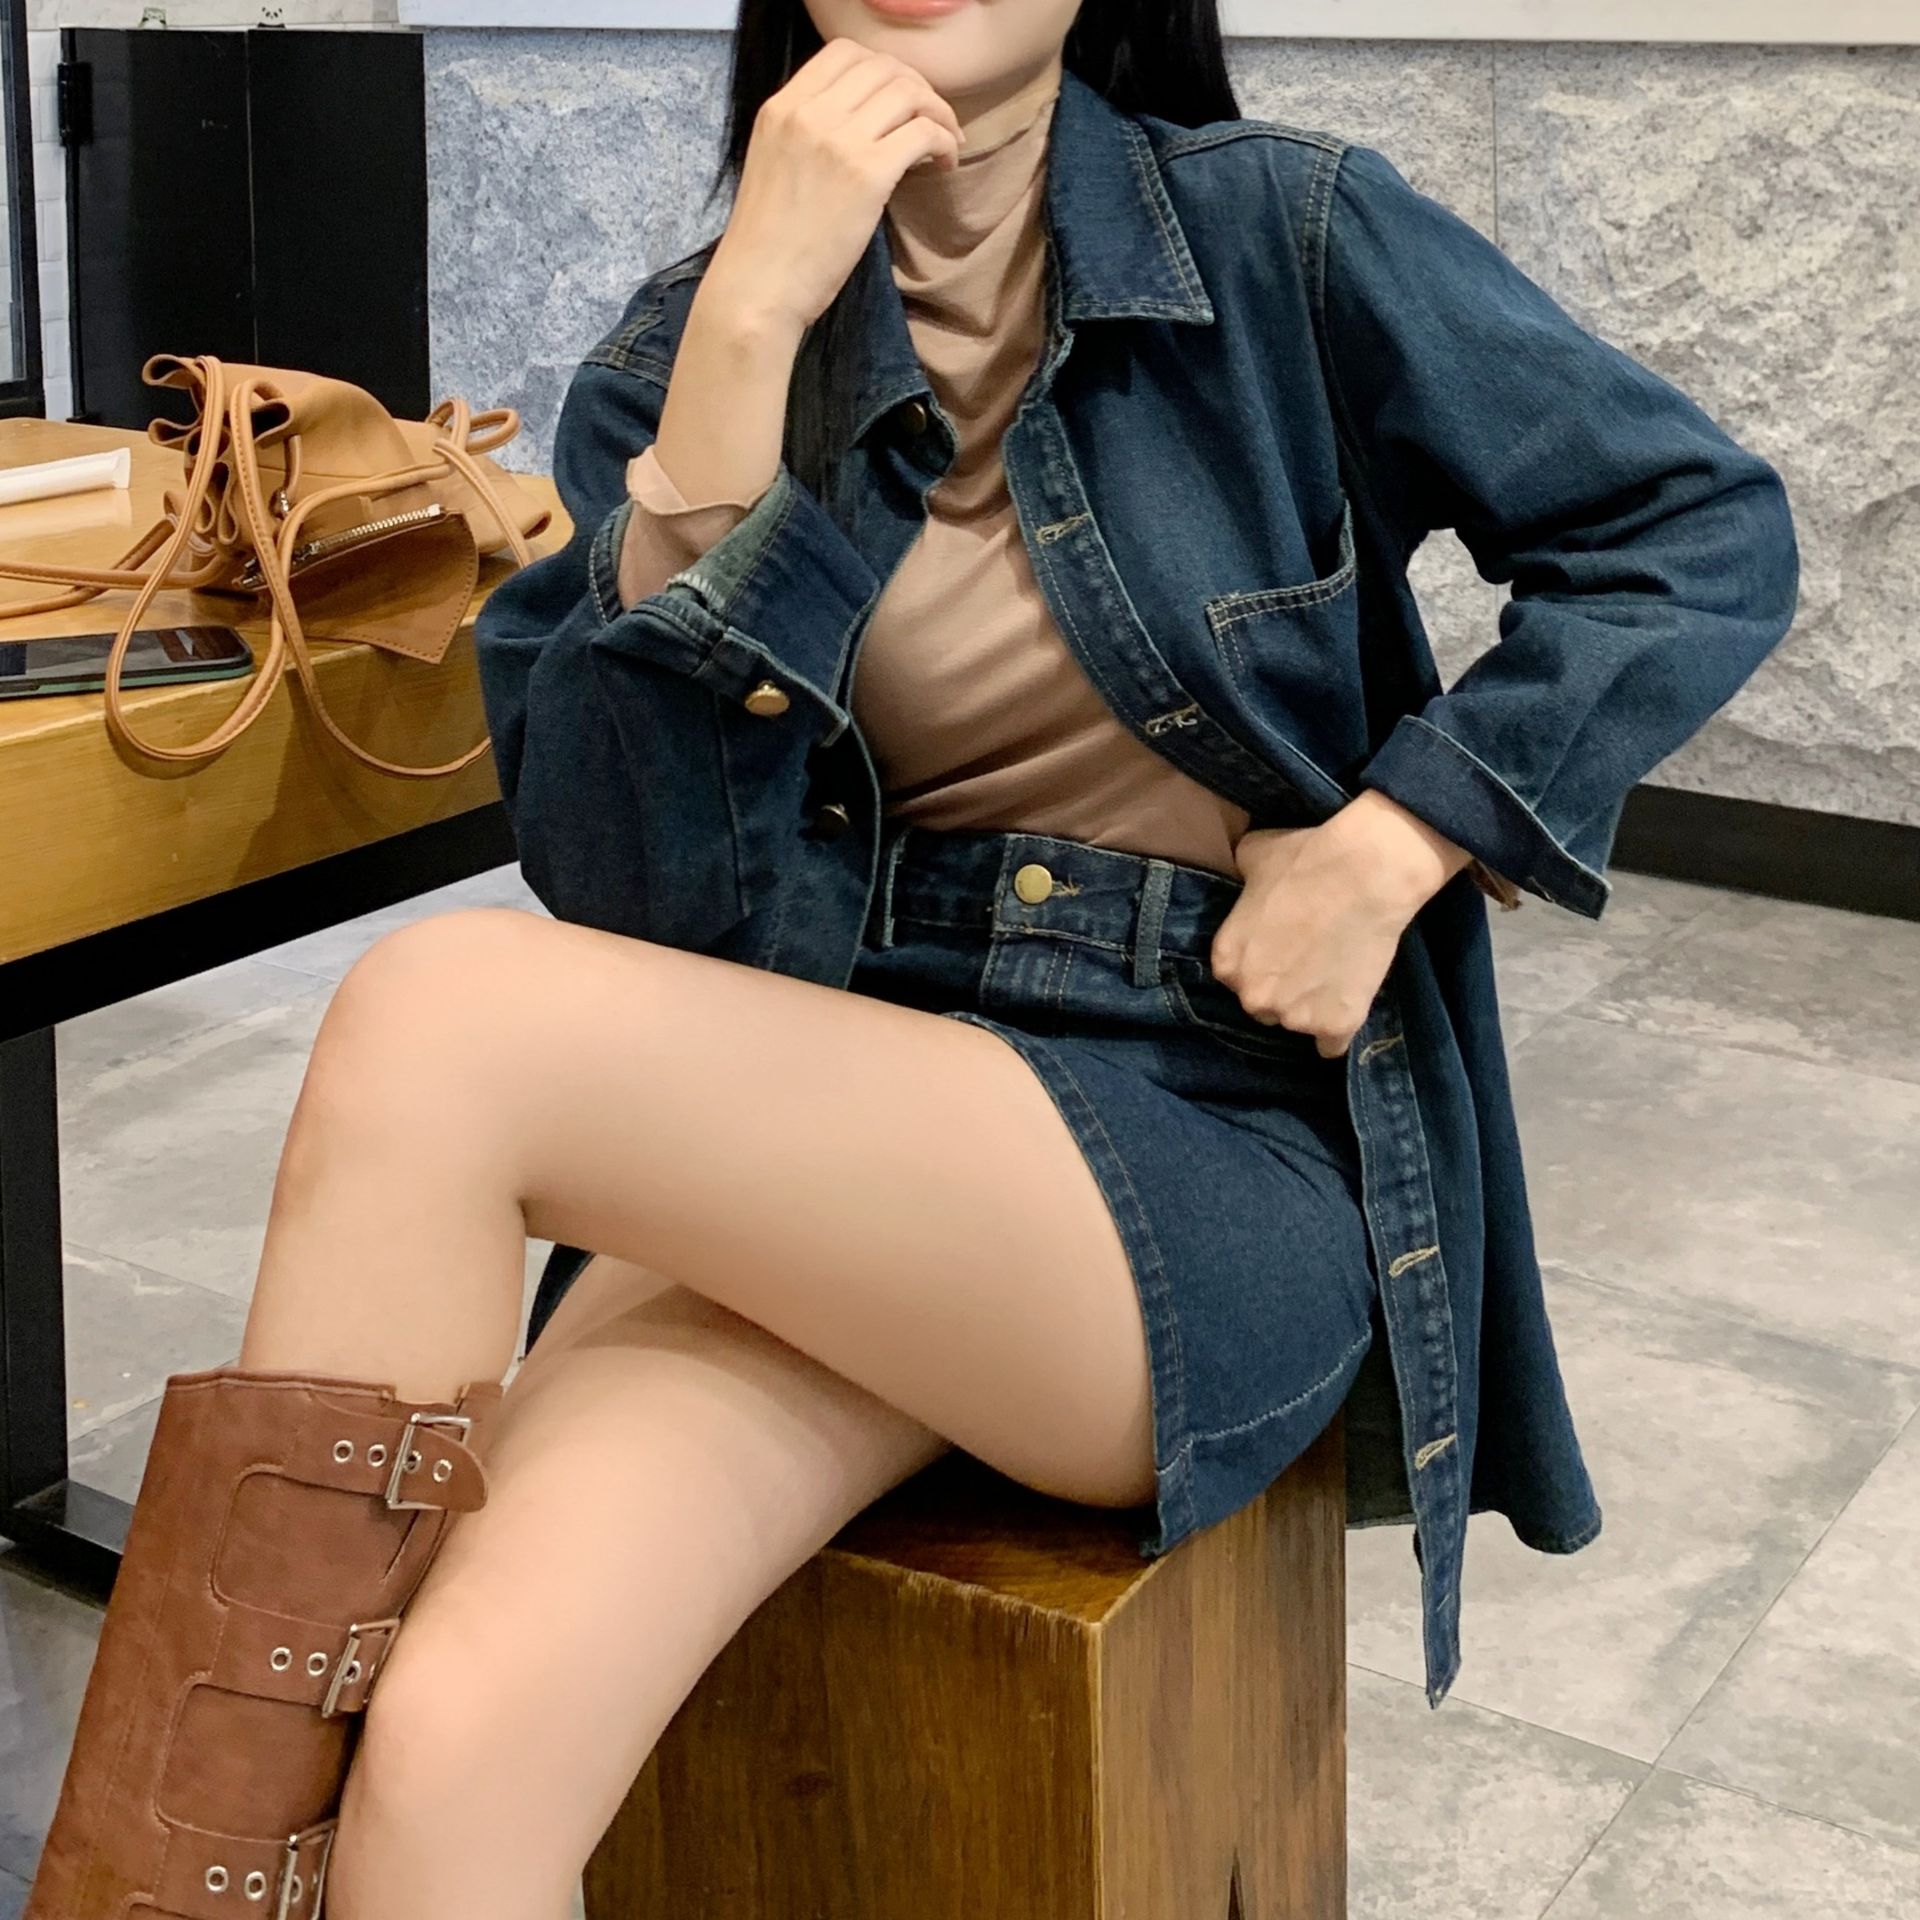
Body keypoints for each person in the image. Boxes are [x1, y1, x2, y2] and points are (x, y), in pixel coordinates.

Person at [24, 3, 1799, 1918]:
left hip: (1191, 1138)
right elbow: (633, 892)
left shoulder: (1279, 233)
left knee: (441, 1018)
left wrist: (1396, 841)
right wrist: (740, 346)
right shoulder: (693, 345)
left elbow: (1694, 529)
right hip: (832, 1133)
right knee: (454, 1758)